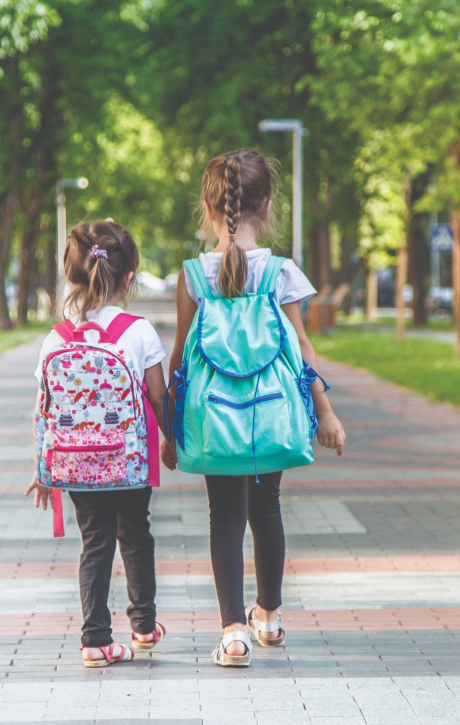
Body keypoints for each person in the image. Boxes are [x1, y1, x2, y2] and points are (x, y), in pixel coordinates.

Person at [162, 149, 346, 667]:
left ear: (207, 206)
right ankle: (269, 615)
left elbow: (180, 358)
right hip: (271, 415)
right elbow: (302, 348)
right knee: (267, 509)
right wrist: (326, 413)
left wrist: (170, 430)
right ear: (267, 206)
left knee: (225, 515)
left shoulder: (193, 276)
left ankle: (233, 633)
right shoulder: (281, 272)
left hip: (212, 417)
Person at [26, 220, 168, 667]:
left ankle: (95, 639)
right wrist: (172, 440)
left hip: (75, 463)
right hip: (128, 460)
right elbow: (159, 395)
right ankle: (143, 625)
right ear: (128, 279)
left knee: (95, 542)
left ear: (72, 274)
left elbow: (43, 409)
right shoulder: (139, 331)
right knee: (136, 532)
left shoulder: (56, 338)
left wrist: (42, 468)